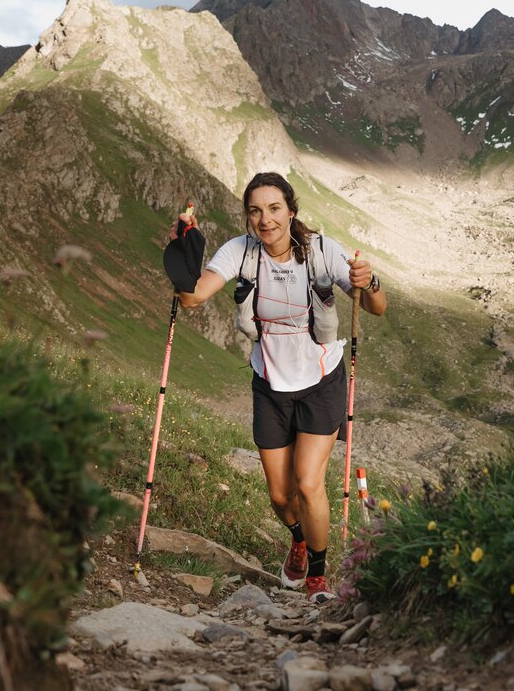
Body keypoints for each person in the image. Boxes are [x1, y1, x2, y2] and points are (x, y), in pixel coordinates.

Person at [164, 172, 387, 603]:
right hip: (270, 383)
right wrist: (181, 254)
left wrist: (369, 281)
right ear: (248, 216)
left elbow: (376, 307)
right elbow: (191, 297)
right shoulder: (241, 251)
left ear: (291, 211)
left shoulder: (322, 251)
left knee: (308, 484)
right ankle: (299, 539)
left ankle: (318, 577)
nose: (265, 219)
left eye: (274, 209)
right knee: (281, 497)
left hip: (321, 380)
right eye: (255, 211)